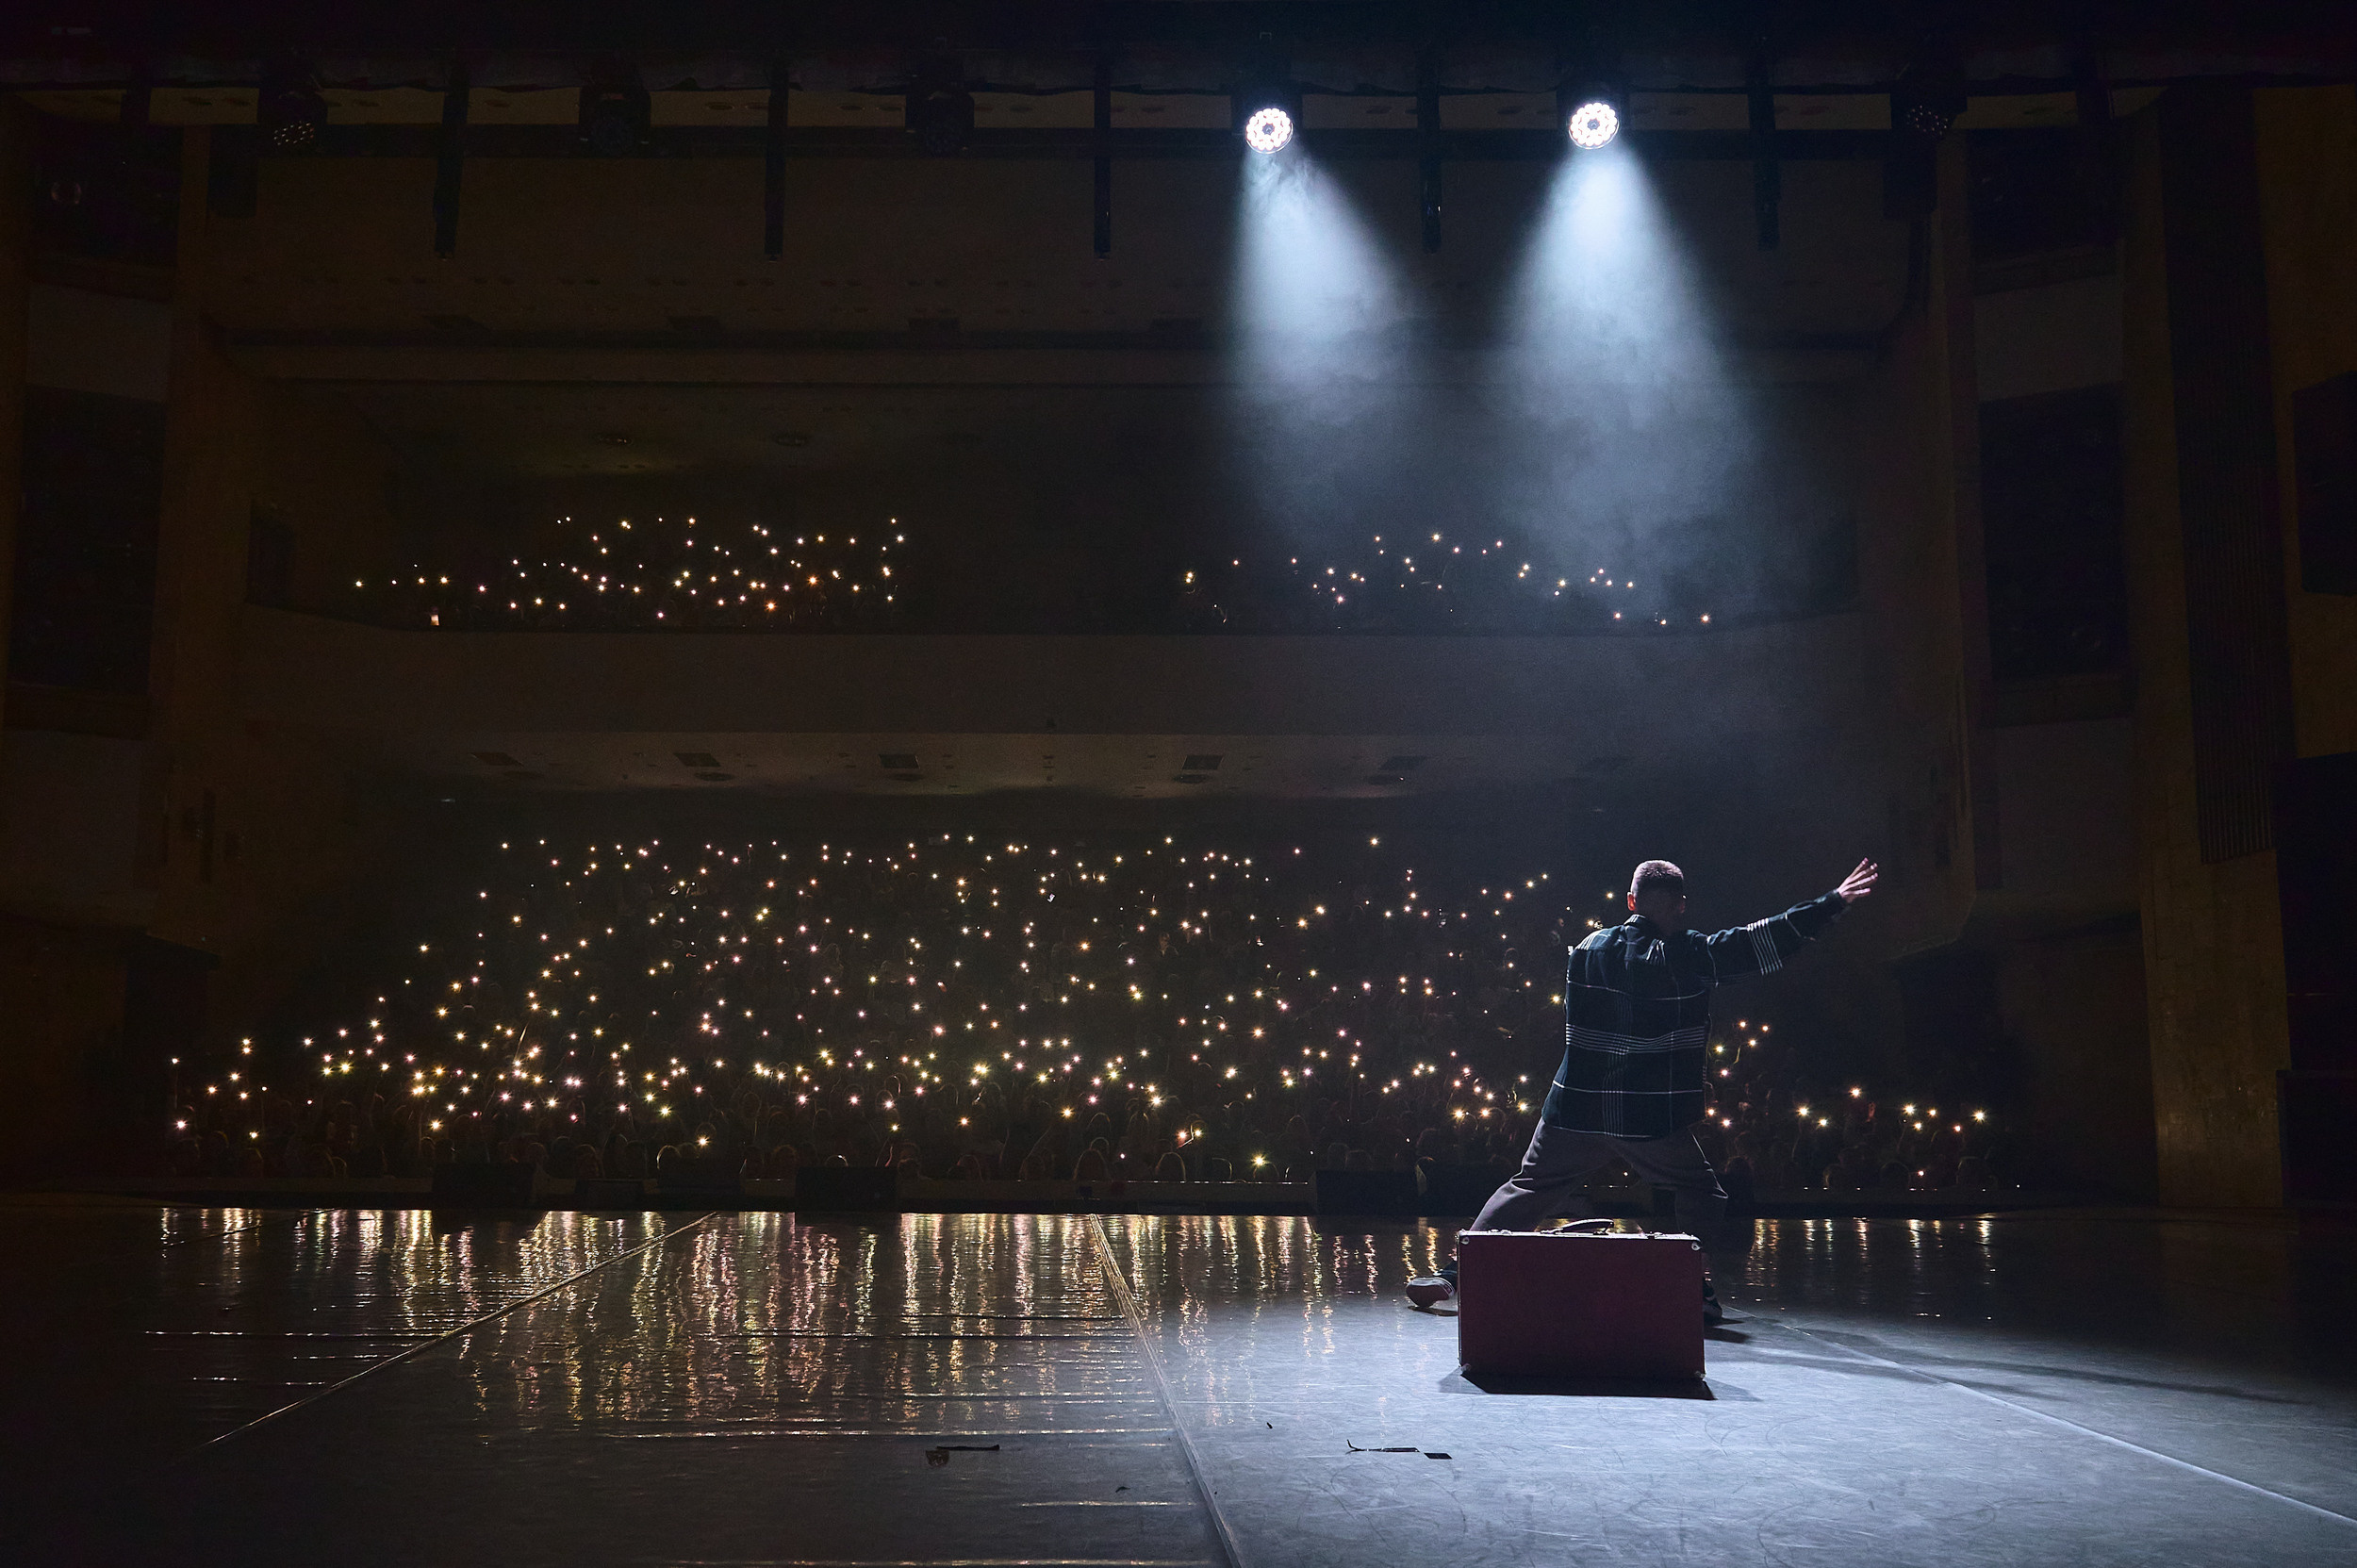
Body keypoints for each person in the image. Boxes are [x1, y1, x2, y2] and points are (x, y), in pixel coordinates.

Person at [1408, 855, 1878, 1325]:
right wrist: (1830, 903)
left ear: (1630, 901)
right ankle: (1695, 1289)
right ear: (1680, 906)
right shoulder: (1687, 956)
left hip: (1575, 1109)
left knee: (1529, 1186)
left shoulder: (1586, 949)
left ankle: (1454, 1272)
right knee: (1700, 1192)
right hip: (1646, 1116)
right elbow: (1757, 942)